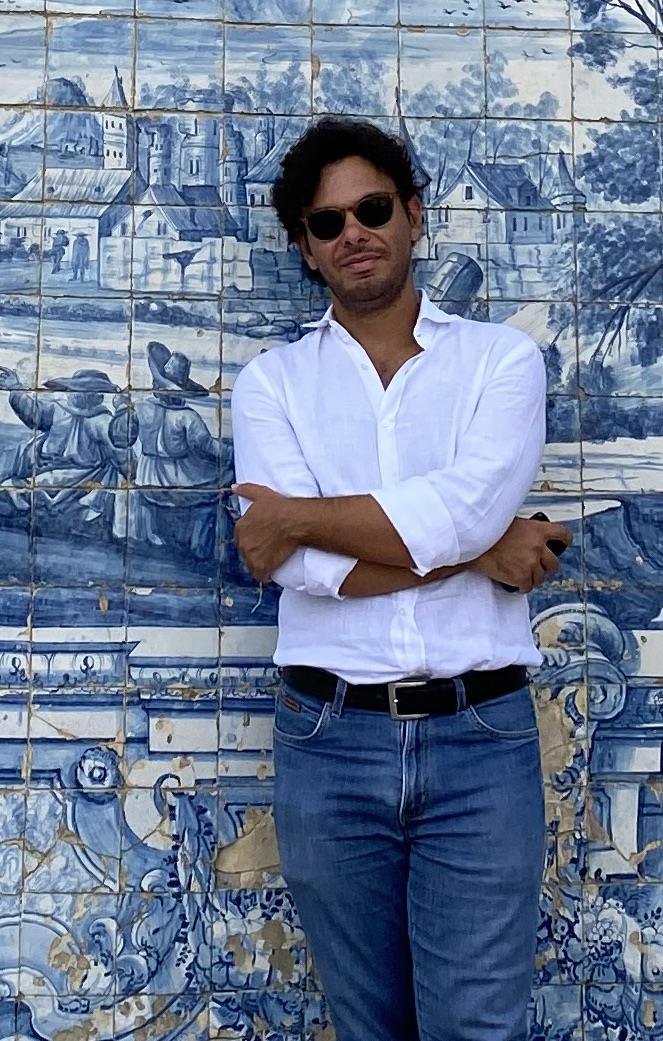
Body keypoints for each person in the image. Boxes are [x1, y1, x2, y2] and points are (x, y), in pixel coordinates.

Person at [230, 117, 573, 1041]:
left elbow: (450, 512)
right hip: (329, 739)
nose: (354, 233)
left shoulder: (499, 361)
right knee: (367, 1026)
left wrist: (304, 514)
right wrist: (483, 547)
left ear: (414, 213)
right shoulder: (270, 384)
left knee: (477, 1028)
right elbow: (298, 568)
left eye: (372, 209)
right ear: (306, 249)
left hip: (479, 738)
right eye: (327, 222)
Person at [0, 366, 130, 536]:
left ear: (94, 396)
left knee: (17, 489)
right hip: (46, 469)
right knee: (13, 486)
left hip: (80, 477)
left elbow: (120, 456)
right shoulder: (58, 410)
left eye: (78, 390)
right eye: (73, 389)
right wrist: (16, 389)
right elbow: (32, 412)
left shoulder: (102, 422)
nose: (72, 393)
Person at [120, 341, 220, 559]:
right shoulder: (187, 417)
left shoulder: (140, 407)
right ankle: (200, 550)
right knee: (220, 486)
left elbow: (123, 437)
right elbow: (206, 447)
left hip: (146, 479)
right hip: (180, 484)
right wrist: (230, 452)